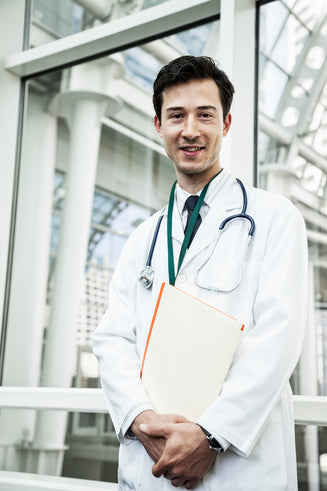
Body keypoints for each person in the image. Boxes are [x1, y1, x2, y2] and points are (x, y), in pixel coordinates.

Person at [93, 55, 308, 490]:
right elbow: (113, 338)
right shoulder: (143, 237)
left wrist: (210, 436)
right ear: (158, 125)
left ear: (226, 123)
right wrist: (139, 417)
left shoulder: (275, 218)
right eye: (176, 115)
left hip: (236, 468)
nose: (190, 129)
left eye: (204, 115)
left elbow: (278, 339)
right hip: (150, 458)